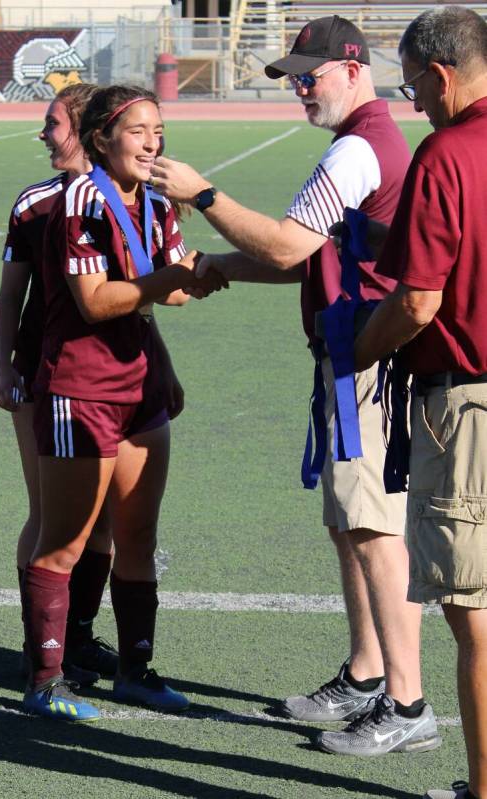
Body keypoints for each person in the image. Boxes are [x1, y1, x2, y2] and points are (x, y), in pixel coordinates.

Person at [150, 15, 440, 755]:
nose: (300, 89)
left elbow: (284, 243)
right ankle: (368, 673)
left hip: (365, 360)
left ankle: (405, 702)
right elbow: (300, 260)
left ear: (352, 68)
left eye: (309, 74)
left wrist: (203, 193)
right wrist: (217, 264)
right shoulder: (367, 141)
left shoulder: (355, 149)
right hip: (354, 355)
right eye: (294, 77)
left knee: (372, 529)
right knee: (349, 524)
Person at [21, 84, 223, 721]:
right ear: (103, 137)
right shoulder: (82, 199)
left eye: (158, 130)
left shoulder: (155, 201)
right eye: (138, 130)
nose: (153, 141)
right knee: (67, 539)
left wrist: (210, 267)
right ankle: (46, 679)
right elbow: (98, 301)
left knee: (138, 535)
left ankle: (135, 670)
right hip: (80, 390)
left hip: (139, 392)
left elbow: (176, 292)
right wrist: (177, 277)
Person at [354, 6, 487, 796]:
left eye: (412, 91)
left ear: (440, 75)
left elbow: (416, 302)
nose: (414, 105)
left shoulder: (446, 150)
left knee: (471, 611)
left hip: (465, 405)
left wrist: (357, 354)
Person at [0, 83, 119, 685]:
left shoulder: (124, 197)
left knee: (103, 522)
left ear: (85, 128)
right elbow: (9, 299)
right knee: (49, 516)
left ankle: (78, 637)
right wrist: (4, 367)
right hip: (44, 377)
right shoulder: (36, 203)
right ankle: (37, 646)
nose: (43, 135)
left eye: (52, 124)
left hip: (111, 379)